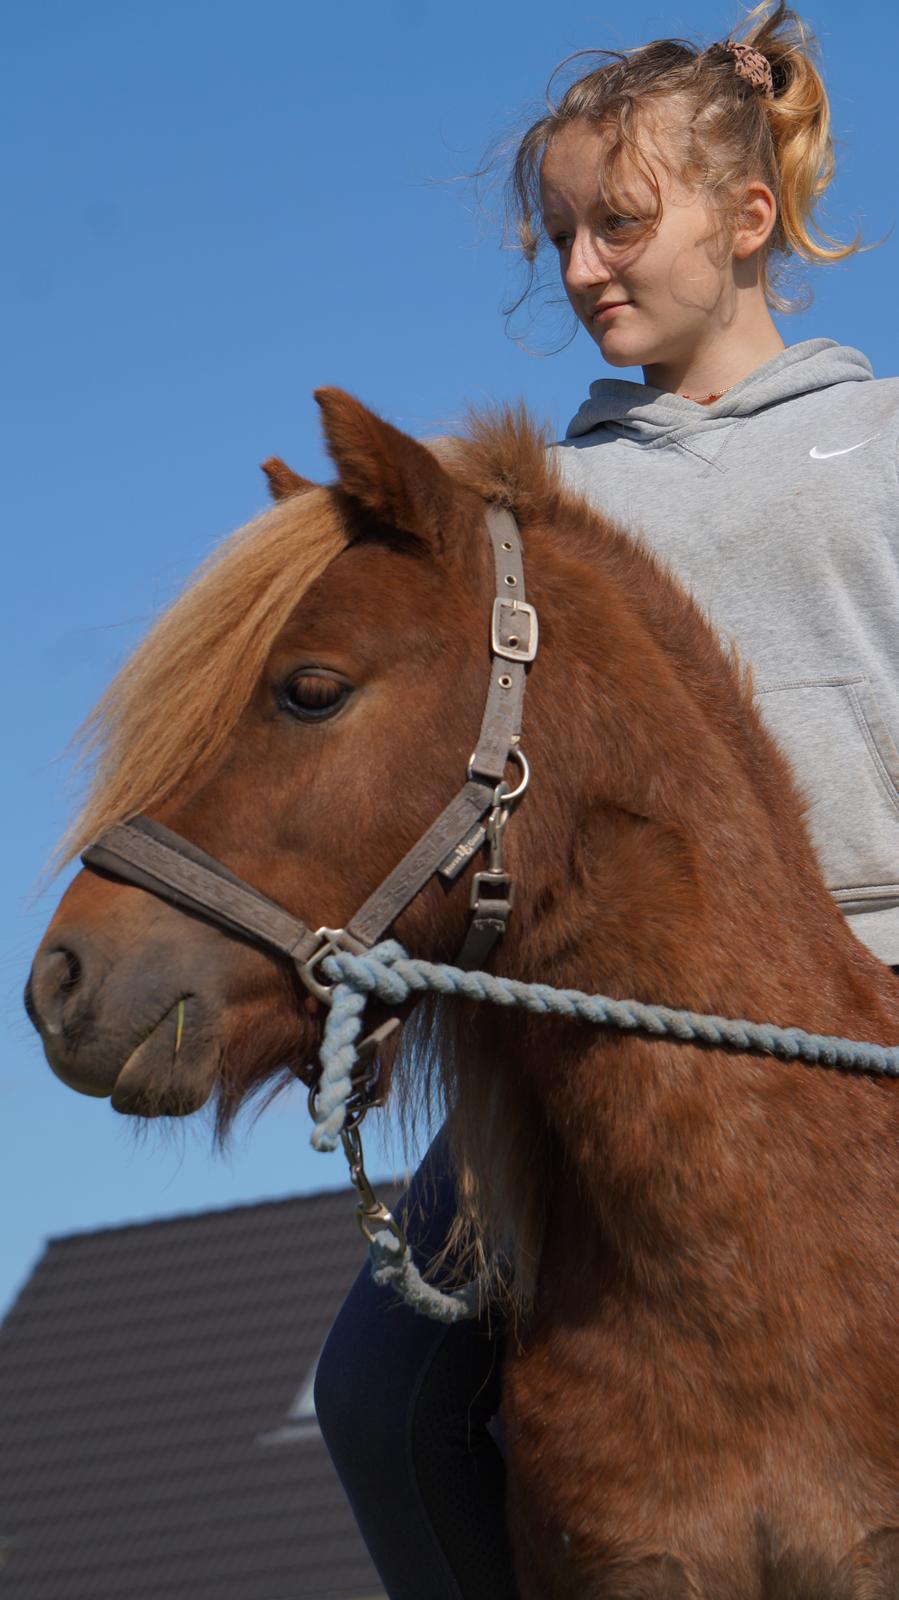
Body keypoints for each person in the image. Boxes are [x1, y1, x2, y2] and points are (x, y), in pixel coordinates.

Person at [314, 6, 899, 1596]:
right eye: (561, 233)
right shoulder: (537, 513)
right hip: (604, 1047)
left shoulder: (891, 443)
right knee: (375, 1396)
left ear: (752, 221)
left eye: (621, 223)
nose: (580, 269)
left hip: (882, 986)